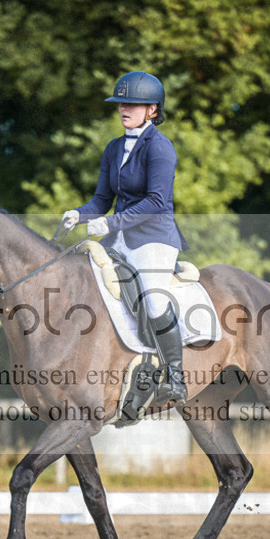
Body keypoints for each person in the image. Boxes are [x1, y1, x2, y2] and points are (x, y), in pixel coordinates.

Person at [62, 70, 189, 404]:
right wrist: (80, 214)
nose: (124, 109)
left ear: (152, 110)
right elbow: (102, 200)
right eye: (120, 103)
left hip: (154, 239)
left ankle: (176, 377)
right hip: (118, 238)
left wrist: (112, 223)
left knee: (155, 300)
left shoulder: (160, 148)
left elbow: (158, 201)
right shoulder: (114, 148)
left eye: (132, 103)